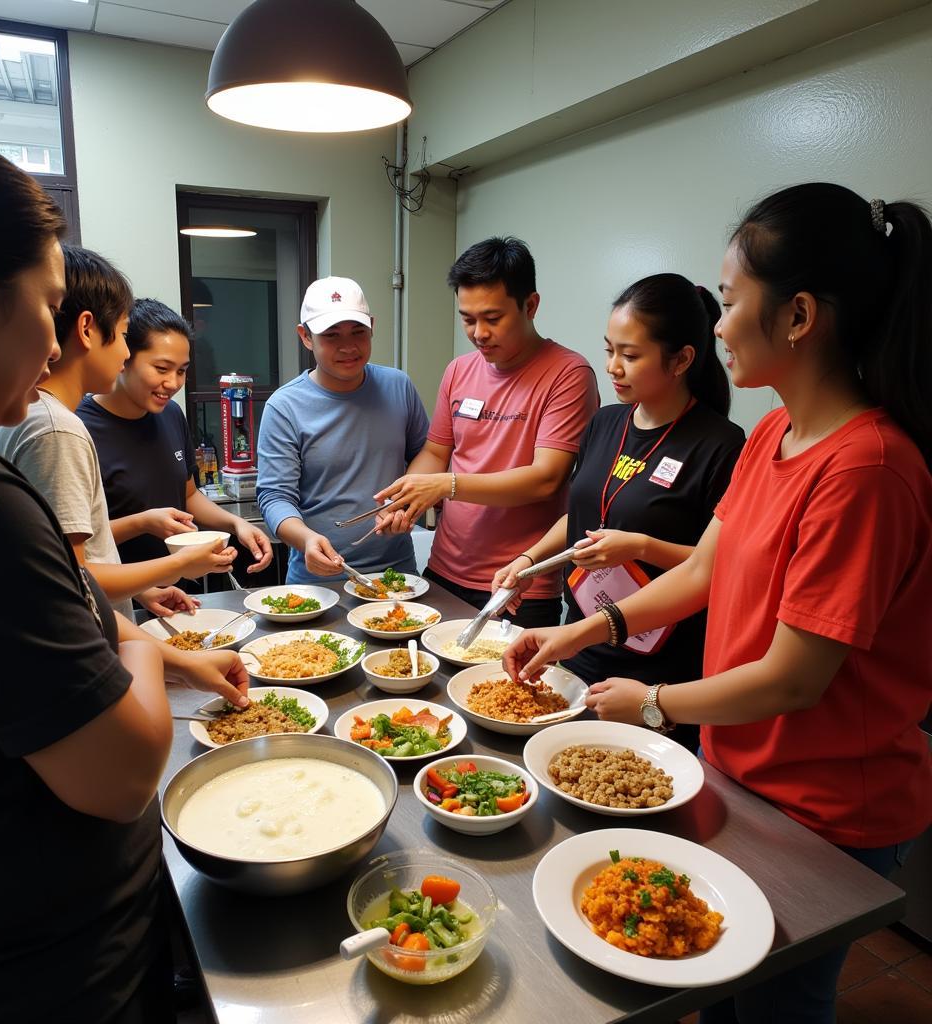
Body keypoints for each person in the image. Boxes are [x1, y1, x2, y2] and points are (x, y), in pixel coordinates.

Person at [504, 183, 932, 1023]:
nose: (720, 322)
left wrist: (654, 703)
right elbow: (705, 567)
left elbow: (793, 679)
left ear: (799, 314)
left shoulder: (867, 469)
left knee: (779, 1001)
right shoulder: (775, 432)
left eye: (731, 301)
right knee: (718, 986)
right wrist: (585, 629)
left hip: (827, 807)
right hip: (743, 773)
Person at [0, 126, 248, 1023]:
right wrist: (136, 639)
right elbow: (124, 770)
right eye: (50, 304)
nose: (57, 340)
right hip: (41, 973)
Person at [492, 274, 743, 749]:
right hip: (580, 640)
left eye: (630, 355)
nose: (613, 367)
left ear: (682, 359)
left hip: (657, 665)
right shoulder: (606, 421)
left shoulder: (721, 445)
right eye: (609, 350)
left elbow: (718, 564)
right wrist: (528, 561)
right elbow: (581, 517)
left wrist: (641, 546)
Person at [0, 245, 235, 619]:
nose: (124, 355)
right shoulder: (58, 430)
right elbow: (70, 581)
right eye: (122, 336)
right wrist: (177, 566)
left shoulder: (18, 411)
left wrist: (144, 590)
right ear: (86, 329)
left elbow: (54, 562)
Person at [374, 237, 598, 628]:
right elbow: (436, 452)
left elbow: (547, 479)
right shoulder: (459, 370)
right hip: (443, 570)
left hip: (518, 583)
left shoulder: (568, 374)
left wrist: (446, 486)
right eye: (467, 318)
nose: (478, 333)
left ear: (530, 305)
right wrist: (406, 496)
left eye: (493, 319)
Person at [76, 298, 272, 580]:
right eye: (161, 368)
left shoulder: (170, 414)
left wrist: (236, 524)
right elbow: (77, 544)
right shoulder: (81, 426)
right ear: (123, 358)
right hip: (119, 595)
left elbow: (188, 495)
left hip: (178, 588)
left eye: (181, 370)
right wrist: (142, 523)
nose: (173, 383)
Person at [255, 277, 429, 583]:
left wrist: (407, 505)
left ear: (372, 327)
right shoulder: (284, 406)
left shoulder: (398, 386)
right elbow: (274, 496)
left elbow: (427, 457)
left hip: (396, 577)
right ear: (305, 337)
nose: (348, 346)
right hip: (318, 581)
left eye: (358, 332)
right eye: (331, 335)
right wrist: (306, 539)